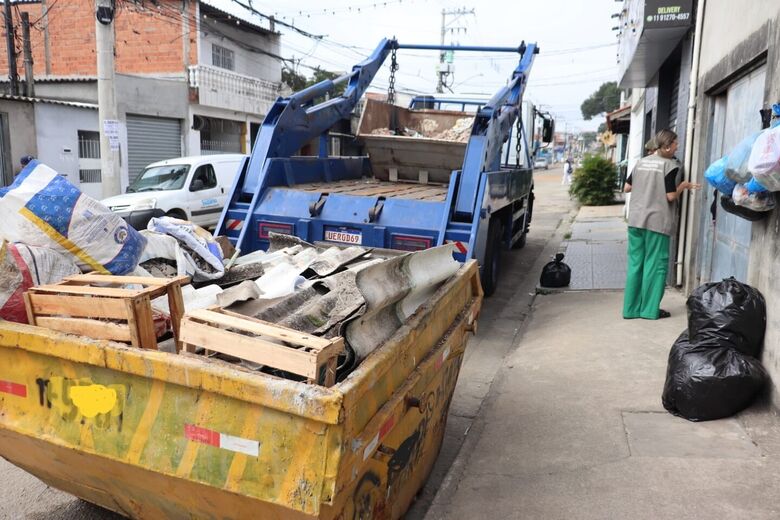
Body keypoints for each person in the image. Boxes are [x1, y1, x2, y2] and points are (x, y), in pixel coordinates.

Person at [622, 129, 700, 320]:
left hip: (636, 220)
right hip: (656, 222)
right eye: (675, 144)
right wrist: (684, 186)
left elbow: (627, 187)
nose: (677, 147)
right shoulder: (670, 166)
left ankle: (630, 310)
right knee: (655, 265)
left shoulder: (641, 162)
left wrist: (647, 186)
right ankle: (649, 310)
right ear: (666, 146)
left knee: (635, 264)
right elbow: (671, 196)